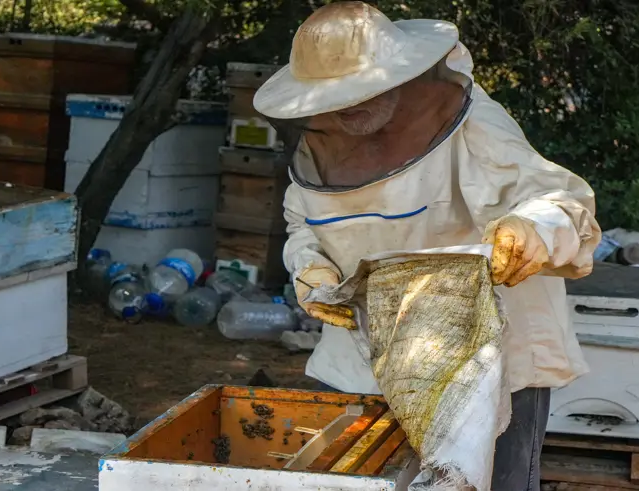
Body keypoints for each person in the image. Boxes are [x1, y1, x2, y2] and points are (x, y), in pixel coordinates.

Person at [253, 2, 602, 490]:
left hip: (487, 362)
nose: (348, 107)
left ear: (400, 76)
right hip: (367, 359)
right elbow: (303, 223)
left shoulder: (475, 121)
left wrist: (528, 232)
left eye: (361, 91)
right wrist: (309, 266)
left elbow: (558, 200)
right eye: (335, 97)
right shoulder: (321, 140)